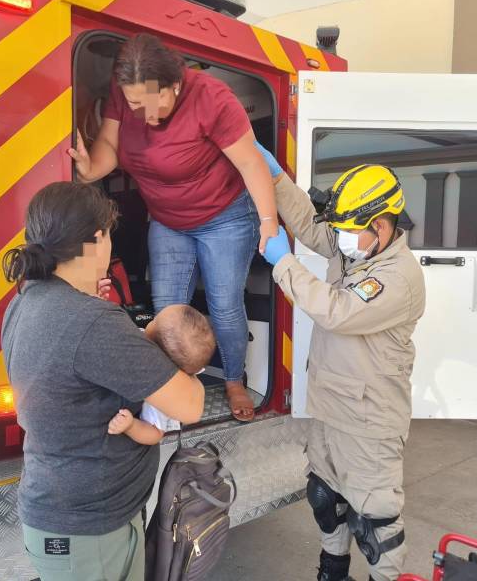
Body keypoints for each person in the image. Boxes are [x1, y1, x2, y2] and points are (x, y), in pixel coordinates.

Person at [0, 181, 205, 581]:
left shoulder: (25, 301)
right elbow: (191, 405)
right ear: (97, 239)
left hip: (63, 511)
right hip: (89, 528)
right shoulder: (93, 323)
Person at [69, 33, 277, 421]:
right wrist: (88, 168)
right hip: (167, 220)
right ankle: (170, 388)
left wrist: (268, 223)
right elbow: (110, 148)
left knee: (224, 303)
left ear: (175, 84)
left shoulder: (211, 99)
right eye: (134, 104)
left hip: (225, 217)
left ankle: (233, 380)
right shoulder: (125, 94)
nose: (144, 114)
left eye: (153, 103)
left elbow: (251, 163)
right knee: (167, 311)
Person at [258, 144, 426, 581]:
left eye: (351, 232)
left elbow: (337, 310)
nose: (342, 240)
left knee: (376, 523)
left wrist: (284, 263)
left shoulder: (397, 276)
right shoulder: (360, 250)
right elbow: (314, 228)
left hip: (369, 421)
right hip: (332, 407)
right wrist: (277, 180)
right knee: (326, 497)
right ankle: (332, 571)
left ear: (382, 225)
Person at [108, 304, 216, 444]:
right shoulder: (184, 360)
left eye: (154, 321)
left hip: (133, 428)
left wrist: (130, 426)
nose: (150, 320)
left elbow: (155, 434)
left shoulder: (162, 391)